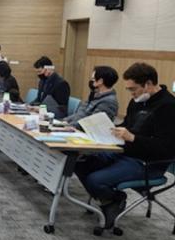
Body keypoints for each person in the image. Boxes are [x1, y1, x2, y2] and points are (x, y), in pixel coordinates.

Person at [75, 63, 175, 228]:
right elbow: (127, 125)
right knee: (80, 162)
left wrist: (133, 138)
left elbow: (167, 147)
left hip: (148, 164)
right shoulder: (137, 101)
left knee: (95, 180)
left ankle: (115, 199)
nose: (131, 93)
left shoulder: (169, 106)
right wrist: (110, 130)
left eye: (133, 89)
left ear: (148, 84)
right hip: (124, 152)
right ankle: (108, 200)